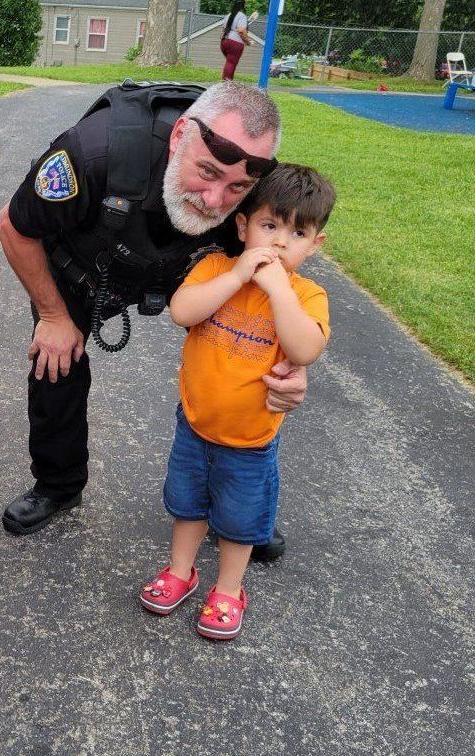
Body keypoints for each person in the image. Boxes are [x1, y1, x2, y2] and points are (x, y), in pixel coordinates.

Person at [0, 81, 308, 562]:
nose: (214, 197)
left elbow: (282, 270)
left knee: (244, 364)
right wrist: (54, 314)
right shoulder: (93, 152)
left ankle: (238, 513)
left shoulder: (258, 189)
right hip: (85, 266)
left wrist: (291, 360)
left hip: (194, 267)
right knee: (56, 361)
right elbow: (13, 226)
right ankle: (57, 485)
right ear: (180, 134)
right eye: (207, 171)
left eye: (237, 188)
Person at [139, 164, 334, 640]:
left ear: (315, 245)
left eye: (298, 233)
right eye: (270, 226)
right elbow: (181, 311)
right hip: (195, 424)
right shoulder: (216, 269)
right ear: (244, 226)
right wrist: (240, 275)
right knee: (187, 506)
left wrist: (275, 288)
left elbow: (305, 348)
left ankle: (229, 589)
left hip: (250, 442)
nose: (280, 243)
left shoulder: (306, 295)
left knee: (239, 521)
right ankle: (181, 571)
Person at [220, 1, 250, 81]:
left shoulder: (229, 15)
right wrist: (247, 41)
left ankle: (226, 82)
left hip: (224, 40)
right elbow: (241, 31)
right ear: (243, 5)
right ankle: (226, 84)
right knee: (231, 63)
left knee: (229, 63)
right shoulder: (242, 16)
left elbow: (223, 28)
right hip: (234, 43)